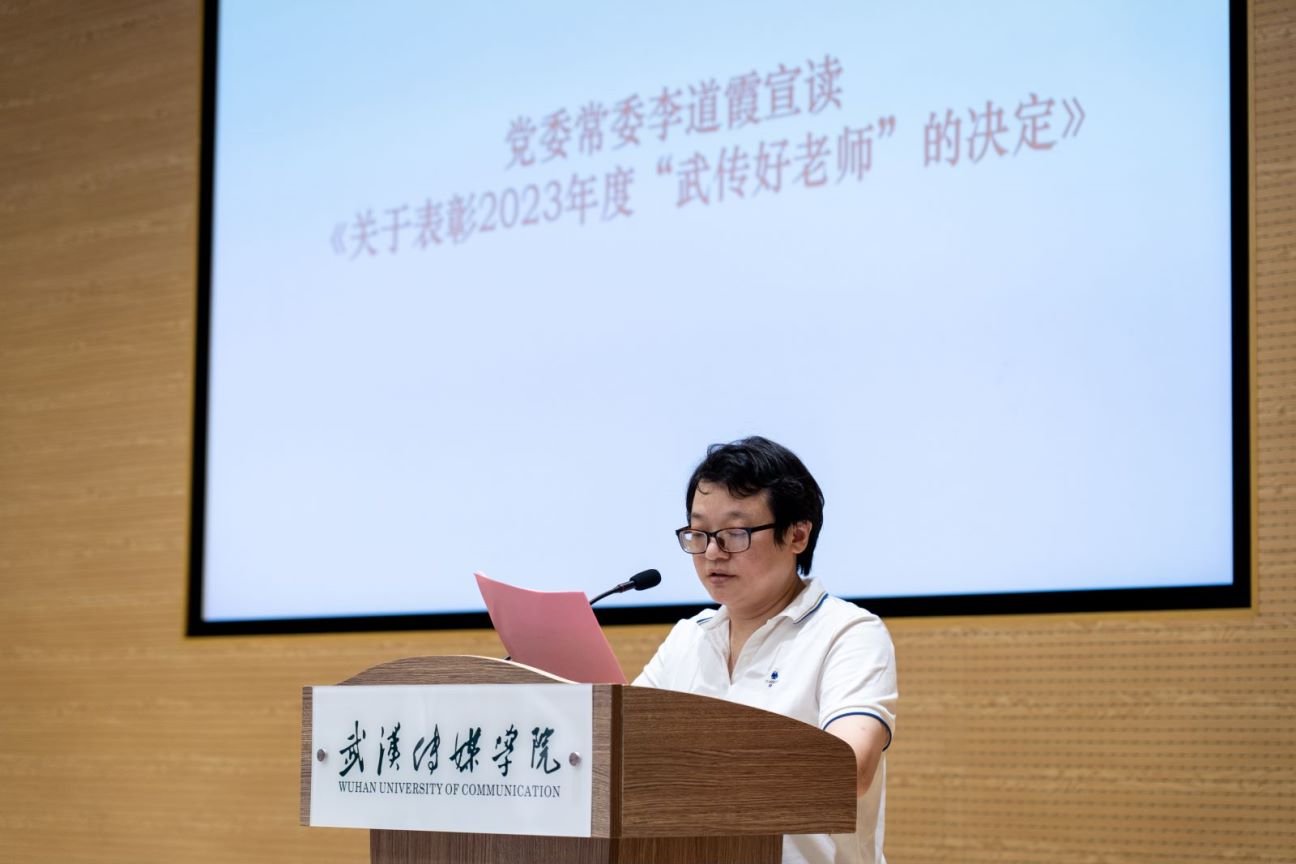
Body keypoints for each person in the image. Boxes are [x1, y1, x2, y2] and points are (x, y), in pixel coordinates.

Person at [634, 436, 897, 864]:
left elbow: (848, 769)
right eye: (699, 533)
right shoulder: (688, 637)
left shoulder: (847, 633)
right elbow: (621, 751)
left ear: (797, 534)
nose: (712, 552)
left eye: (734, 533)